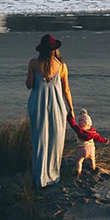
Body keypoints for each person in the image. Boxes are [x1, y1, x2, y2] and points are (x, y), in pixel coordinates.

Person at [26, 34, 75, 188]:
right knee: (55, 139)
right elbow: (66, 90)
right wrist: (71, 109)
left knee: (39, 138)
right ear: (54, 49)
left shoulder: (34, 63)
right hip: (57, 106)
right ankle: (53, 176)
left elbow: (29, 85)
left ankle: (40, 177)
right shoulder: (62, 66)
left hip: (37, 104)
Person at [67, 108, 109, 178]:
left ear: (80, 122)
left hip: (82, 148)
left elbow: (72, 124)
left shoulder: (79, 130)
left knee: (79, 161)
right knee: (92, 159)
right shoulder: (93, 132)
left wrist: (69, 116)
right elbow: (98, 138)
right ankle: (93, 169)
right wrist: (105, 140)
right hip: (91, 148)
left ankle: (78, 172)